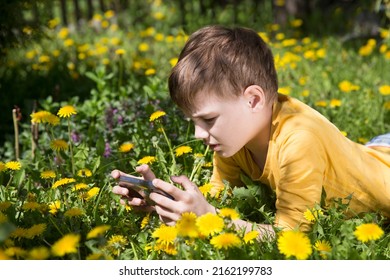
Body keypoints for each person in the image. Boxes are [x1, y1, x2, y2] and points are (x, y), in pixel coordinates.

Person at [112, 25, 390, 238]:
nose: (198, 134)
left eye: (208, 119)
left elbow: (291, 236)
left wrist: (211, 217)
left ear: (253, 100)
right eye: (194, 121)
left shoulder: (299, 140)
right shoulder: (233, 138)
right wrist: (168, 203)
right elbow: (222, 196)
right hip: (370, 154)